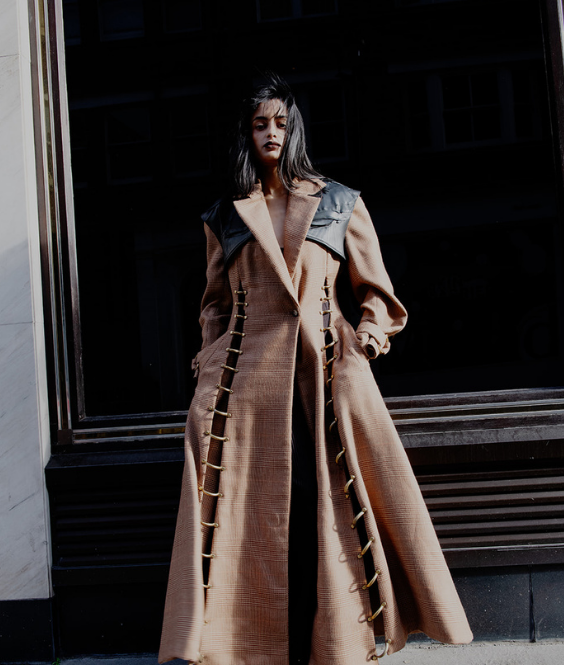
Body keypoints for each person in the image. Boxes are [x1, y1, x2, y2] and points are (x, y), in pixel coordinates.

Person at [159, 77, 472, 664]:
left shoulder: (338, 202)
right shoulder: (224, 216)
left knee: (321, 509)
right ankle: (252, 646)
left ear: (293, 128)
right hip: (245, 386)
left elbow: (374, 289)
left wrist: (373, 332)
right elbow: (214, 302)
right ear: (246, 134)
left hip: (325, 374)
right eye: (259, 124)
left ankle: (333, 643)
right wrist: (207, 355)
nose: (270, 133)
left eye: (279, 122)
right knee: (253, 519)